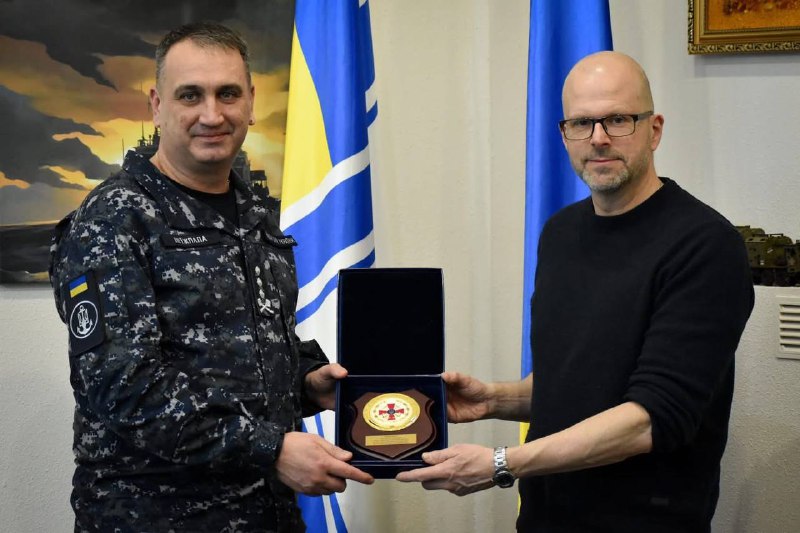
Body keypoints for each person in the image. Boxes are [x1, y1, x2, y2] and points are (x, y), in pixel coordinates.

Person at [397, 51, 754, 532]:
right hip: (544, 518)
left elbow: (650, 419)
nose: (598, 138)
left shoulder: (706, 245)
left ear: (654, 130)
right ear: (565, 135)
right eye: (581, 123)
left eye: (618, 120)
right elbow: (581, 384)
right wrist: (495, 400)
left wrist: (501, 463)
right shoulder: (560, 233)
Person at [49, 22, 373, 532]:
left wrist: (307, 381)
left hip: (268, 514)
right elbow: (124, 388)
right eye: (190, 95)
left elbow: (248, 345)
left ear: (251, 101)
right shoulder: (114, 219)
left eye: (228, 94)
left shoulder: (254, 215)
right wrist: (270, 449)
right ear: (157, 105)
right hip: (157, 519)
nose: (212, 115)